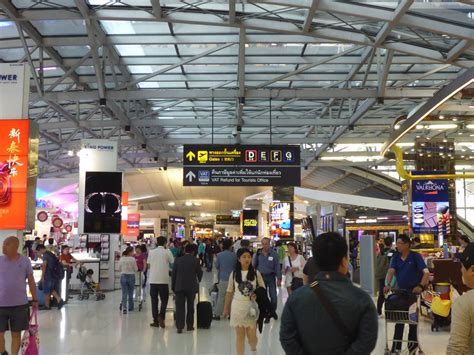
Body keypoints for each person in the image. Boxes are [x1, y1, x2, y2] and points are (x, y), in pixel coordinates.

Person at [280, 232, 378, 354]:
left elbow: (287, 336)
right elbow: (367, 340)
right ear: (344, 262)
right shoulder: (362, 299)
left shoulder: (296, 298)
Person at [384, 234, 430, 353]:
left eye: (399, 243)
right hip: (400, 292)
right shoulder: (395, 257)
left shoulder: (415, 257)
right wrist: (388, 284)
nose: (397, 245)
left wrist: (420, 286)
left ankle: (412, 347)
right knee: (399, 321)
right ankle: (396, 348)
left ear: (407, 244)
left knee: (412, 322)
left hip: (413, 295)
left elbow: (426, 273)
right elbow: (391, 271)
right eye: (397, 243)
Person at [0, 237, 38, 355]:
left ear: (15, 247)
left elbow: (31, 280)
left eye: (6, 244)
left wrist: (35, 299)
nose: (3, 247)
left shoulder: (25, 261)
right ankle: (2, 352)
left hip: (20, 305)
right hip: (1, 304)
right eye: (3, 244)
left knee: (16, 333)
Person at [224, 248, 265, 355]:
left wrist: (257, 294)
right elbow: (229, 291)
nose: (247, 259)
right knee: (239, 337)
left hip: (251, 308)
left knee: (252, 336)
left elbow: (262, 289)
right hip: (237, 307)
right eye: (244, 257)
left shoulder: (256, 273)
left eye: (249, 257)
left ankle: (253, 349)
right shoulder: (233, 274)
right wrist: (226, 308)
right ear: (238, 259)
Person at [447, 243, 474, 354]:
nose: (461, 270)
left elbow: (457, 349)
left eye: (462, 266)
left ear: (472, 270)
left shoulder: (465, 303)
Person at [172, 244, 203, 333]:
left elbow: (174, 274)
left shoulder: (178, 260)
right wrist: (198, 281)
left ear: (185, 250)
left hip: (179, 286)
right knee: (190, 306)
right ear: (193, 251)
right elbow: (199, 274)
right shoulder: (196, 260)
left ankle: (179, 326)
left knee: (179, 307)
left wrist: (173, 287)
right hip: (191, 287)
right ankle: (189, 325)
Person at [148, 236, 174, 328]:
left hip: (153, 280)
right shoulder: (167, 252)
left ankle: (155, 321)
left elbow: (148, 265)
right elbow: (172, 262)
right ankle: (161, 316)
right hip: (163, 280)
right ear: (165, 243)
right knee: (164, 300)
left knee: (154, 301)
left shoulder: (151, 252)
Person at [252, 237, 281, 321]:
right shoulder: (257, 254)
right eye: (263, 244)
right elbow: (254, 266)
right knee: (264, 297)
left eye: (266, 244)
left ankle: (272, 311)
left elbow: (277, 267)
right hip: (260, 277)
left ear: (270, 244)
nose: (265, 246)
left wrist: (279, 278)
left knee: (273, 296)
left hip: (271, 277)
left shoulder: (274, 254)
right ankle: (268, 314)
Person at [36, 244, 65, 310]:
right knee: (50, 289)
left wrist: (42, 276)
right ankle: (59, 300)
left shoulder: (45, 255)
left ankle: (47, 306)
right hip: (53, 275)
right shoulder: (50, 253)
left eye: (38, 251)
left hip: (48, 275)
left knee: (46, 290)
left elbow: (44, 266)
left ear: (40, 249)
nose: (38, 253)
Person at [214, 239, 237, 320]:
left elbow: (217, 266)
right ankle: (231, 314)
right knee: (232, 297)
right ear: (231, 246)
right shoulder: (234, 255)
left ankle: (217, 314)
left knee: (221, 296)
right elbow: (236, 266)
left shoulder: (219, 255)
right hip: (232, 279)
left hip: (223, 278)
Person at [375, 237, 394, 315]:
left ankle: (378, 311)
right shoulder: (392, 252)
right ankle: (389, 311)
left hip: (381, 274)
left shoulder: (381, 252)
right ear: (391, 243)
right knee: (391, 293)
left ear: (384, 243)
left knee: (381, 294)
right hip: (389, 275)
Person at [119, 247, 137, 314]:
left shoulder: (122, 258)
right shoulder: (132, 259)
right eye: (132, 251)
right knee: (130, 292)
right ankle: (130, 307)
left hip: (123, 276)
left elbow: (119, 268)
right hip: (131, 276)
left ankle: (124, 308)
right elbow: (136, 269)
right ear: (130, 252)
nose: (133, 253)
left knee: (124, 292)